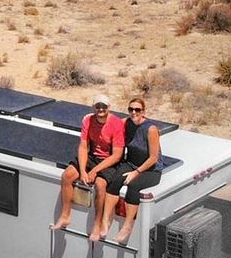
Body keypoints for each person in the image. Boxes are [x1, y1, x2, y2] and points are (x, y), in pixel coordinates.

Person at [53, 94, 125, 233]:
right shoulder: (88, 120)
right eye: (97, 106)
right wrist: (83, 171)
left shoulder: (116, 124)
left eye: (104, 106)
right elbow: (83, 147)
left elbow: (117, 155)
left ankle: (97, 223)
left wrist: (94, 171)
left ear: (109, 108)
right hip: (92, 157)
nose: (100, 109)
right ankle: (65, 215)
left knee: (100, 184)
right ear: (93, 107)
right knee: (67, 175)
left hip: (108, 161)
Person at [95, 97, 163, 244]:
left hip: (150, 169)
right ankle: (106, 220)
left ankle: (127, 226)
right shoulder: (127, 123)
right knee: (114, 180)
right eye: (131, 109)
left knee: (133, 186)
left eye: (137, 109)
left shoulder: (151, 129)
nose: (134, 112)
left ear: (144, 111)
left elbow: (153, 158)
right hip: (131, 163)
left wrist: (136, 173)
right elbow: (112, 123)